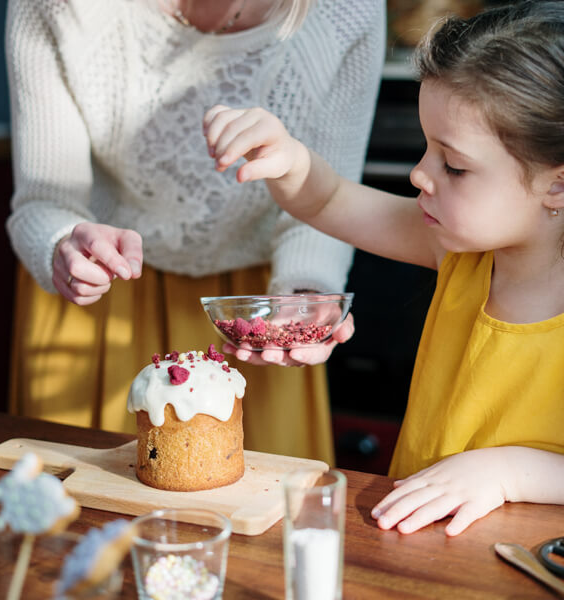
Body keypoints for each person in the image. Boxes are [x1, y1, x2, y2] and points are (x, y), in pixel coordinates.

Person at [203, 0, 564, 534]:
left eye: (455, 166)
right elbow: (328, 203)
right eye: (426, 149)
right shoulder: (459, 254)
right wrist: (287, 158)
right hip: (416, 548)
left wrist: (507, 471)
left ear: (557, 184)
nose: (420, 174)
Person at [5, 0, 385, 464]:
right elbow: (41, 201)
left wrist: (304, 300)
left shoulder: (349, 10)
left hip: (258, 314)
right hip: (99, 302)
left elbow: (328, 202)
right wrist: (63, 246)